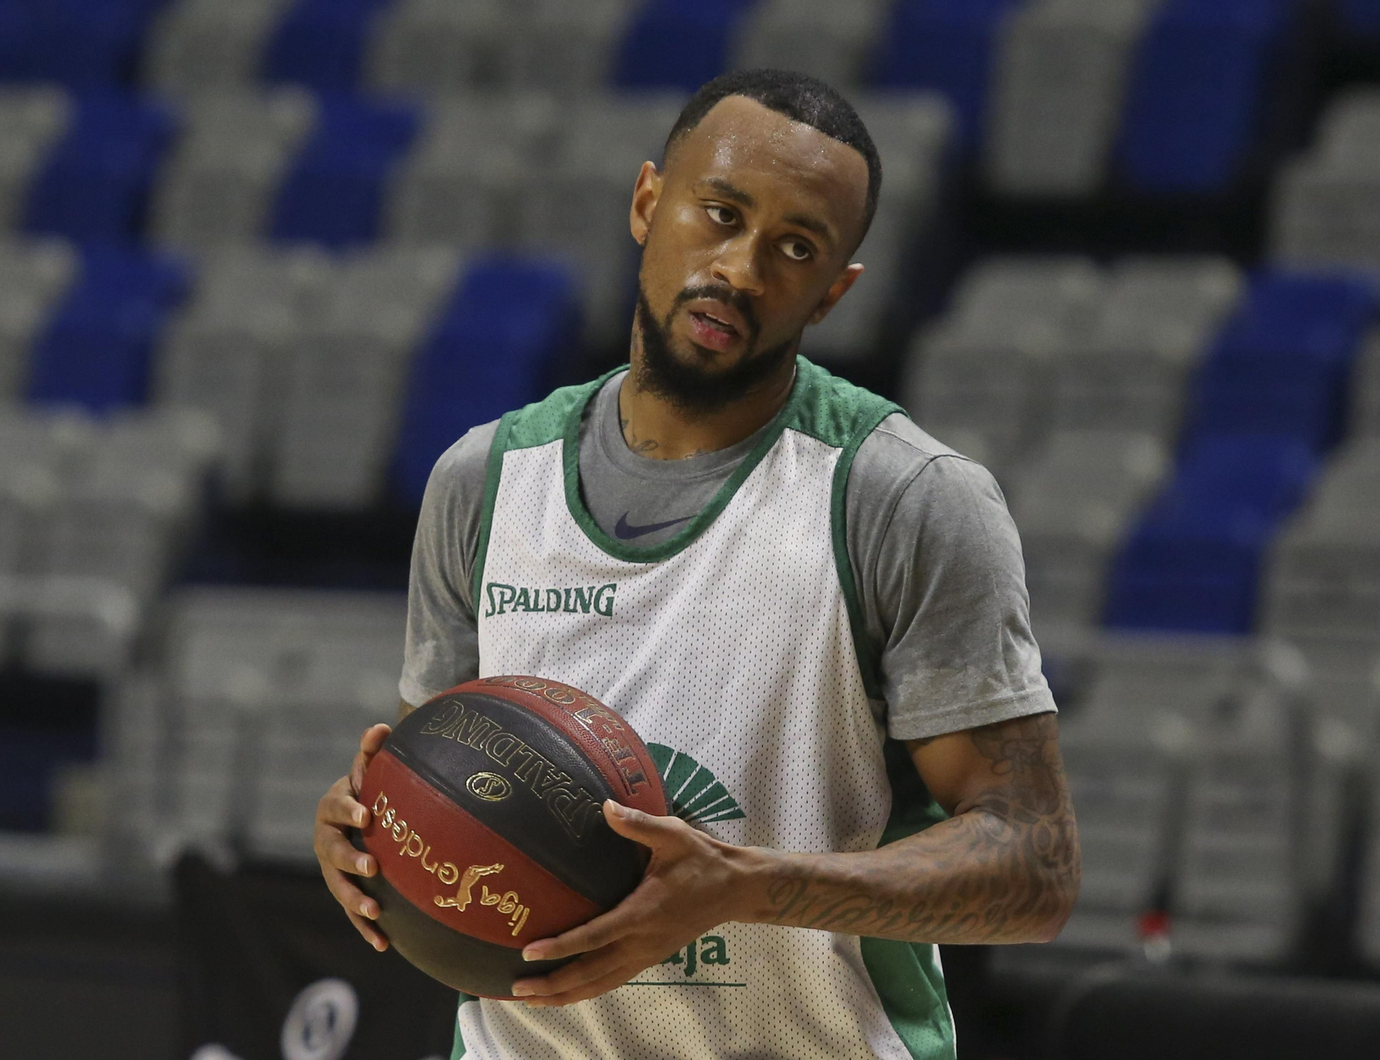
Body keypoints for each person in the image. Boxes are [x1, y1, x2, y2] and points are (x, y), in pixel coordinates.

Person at [314, 68, 1080, 1060]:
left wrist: (747, 887)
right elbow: (455, 778)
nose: (742, 268)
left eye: (795, 247)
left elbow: (1035, 866)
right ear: (647, 203)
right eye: (719, 213)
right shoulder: (486, 478)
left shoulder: (904, 496)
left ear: (835, 291)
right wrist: (371, 828)